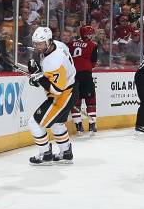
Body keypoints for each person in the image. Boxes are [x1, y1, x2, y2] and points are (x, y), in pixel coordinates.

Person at [27, 26, 77, 165]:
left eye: (40, 43)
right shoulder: (58, 45)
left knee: (34, 123)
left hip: (64, 94)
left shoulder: (54, 61)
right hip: (71, 87)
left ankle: (45, 154)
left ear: (49, 42)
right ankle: (66, 152)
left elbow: (56, 90)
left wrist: (40, 78)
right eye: (35, 43)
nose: (37, 46)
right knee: (57, 123)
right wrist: (38, 73)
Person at [68, 26, 99, 135]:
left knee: (76, 102)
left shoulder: (71, 44)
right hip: (86, 75)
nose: (92, 36)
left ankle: (79, 127)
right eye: (91, 34)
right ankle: (92, 125)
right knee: (91, 100)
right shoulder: (93, 45)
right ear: (87, 34)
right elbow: (94, 62)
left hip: (73, 76)